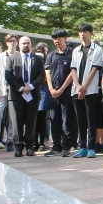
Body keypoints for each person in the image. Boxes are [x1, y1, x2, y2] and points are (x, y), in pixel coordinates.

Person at [5, 36, 46, 157]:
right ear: (18, 44)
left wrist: (31, 86)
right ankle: (18, 147)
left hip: (32, 95)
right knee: (17, 122)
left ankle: (29, 146)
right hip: (16, 95)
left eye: (28, 43)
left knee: (31, 121)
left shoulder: (37, 59)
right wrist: (20, 88)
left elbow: (41, 75)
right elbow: (8, 75)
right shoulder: (12, 58)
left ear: (31, 45)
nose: (25, 45)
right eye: (23, 43)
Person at [71, 23, 103, 158]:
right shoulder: (75, 50)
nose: (82, 34)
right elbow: (73, 70)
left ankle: (91, 147)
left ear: (91, 33)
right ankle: (82, 147)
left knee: (91, 119)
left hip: (90, 90)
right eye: (80, 32)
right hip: (76, 89)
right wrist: (78, 86)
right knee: (80, 119)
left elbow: (94, 70)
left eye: (85, 31)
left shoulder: (97, 50)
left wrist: (83, 87)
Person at [44, 29, 76, 157]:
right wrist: (51, 89)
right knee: (54, 120)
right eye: (55, 39)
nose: (57, 41)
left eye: (59, 38)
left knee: (67, 120)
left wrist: (62, 89)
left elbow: (73, 73)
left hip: (67, 92)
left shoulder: (72, 54)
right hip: (53, 93)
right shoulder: (51, 55)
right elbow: (48, 72)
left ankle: (67, 147)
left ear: (65, 38)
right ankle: (56, 146)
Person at [0, 33, 17, 153]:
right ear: (6, 43)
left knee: (11, 117)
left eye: (14, 41)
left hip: (15, 91)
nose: (12, 43)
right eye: (10, 41)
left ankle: (10, 140)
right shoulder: (0, 56)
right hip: (1, 90)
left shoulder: (19, 56)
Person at [33, 43, 50, 152]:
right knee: (33, 118)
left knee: (42, 118)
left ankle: (43, 141)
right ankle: (34, 142)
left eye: (41, 51)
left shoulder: (47, 62)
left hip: (44, 91)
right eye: (37, 51)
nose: (39, 54)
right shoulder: (31, 61)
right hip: (33, 90)